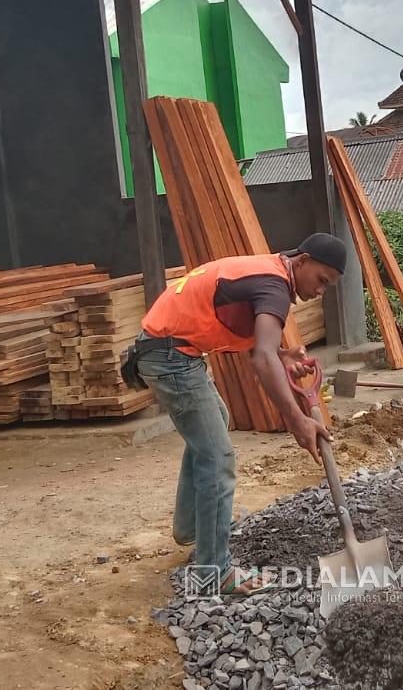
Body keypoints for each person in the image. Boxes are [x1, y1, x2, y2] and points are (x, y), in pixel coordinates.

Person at [131, 233, 345, 597]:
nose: (321, 291)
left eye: (329, 287)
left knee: (213, 422)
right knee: (218, 455)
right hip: (171, 355)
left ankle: (192, 529)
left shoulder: (268, 273)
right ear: (303, 260)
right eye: (322, 280)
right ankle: (215, 573)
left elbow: (261, 348)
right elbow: (260, 359)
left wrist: (282, 356)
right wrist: (296, 420)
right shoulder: (275, 285)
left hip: (169, 350)